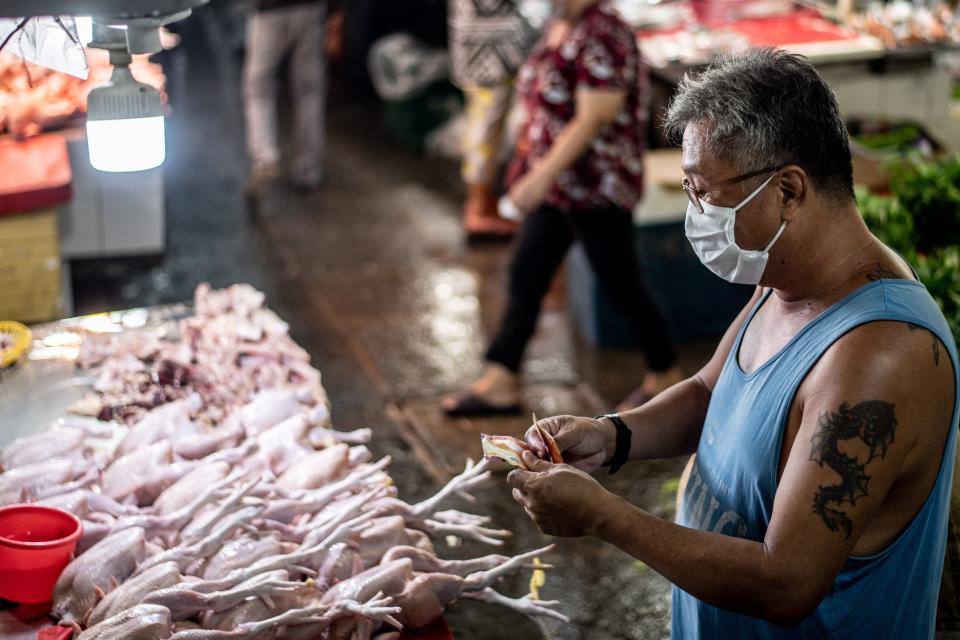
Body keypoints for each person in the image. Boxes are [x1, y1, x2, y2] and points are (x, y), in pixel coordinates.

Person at [505, 48, 959, 638]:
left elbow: (786, 581)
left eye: (704, 192)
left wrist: (604, 516)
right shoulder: (784, 276)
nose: (696, 213)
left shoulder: (879, 355)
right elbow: (710, 391)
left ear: (789, 191)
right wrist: (612, 434)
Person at [442, 0, 683, 416]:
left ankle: (666, 375)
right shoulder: (561, 23)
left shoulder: (604, 33)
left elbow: (593, 118)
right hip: (560, 187)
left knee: (620, 283)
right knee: (527, 273)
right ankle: (502, 376)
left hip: (596, 186)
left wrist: (538, 178)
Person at [448, 0, 538, 237]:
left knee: (487, 126)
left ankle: (483, 202)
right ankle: (479, 208)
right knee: (485, 127)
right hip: (488, 47)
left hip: (488, 43)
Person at [242, 0, 335, 202]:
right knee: (309, 92)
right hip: (311, 9)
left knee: (259, 88)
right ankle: (308, 170)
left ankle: (265, 159)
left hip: (269, 10)